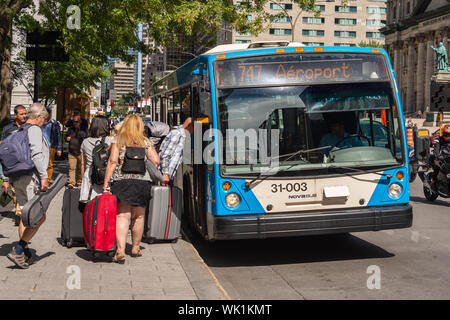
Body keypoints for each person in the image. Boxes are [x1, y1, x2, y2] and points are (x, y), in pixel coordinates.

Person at [103, 115, 160, 263]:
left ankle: (120, 251)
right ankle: (135, 248)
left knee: (123, 216)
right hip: (142, 182)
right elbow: (156, 161)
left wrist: (106, 182)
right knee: (139, 216)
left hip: (122, 182)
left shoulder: (119, 140)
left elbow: (113, 161)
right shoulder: (145, 141)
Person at [6, 103, 49, 269]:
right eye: (43, 119)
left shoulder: (20, 129)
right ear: (37, 117)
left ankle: (25, 253)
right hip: (31, 178)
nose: (44, 122)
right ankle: (18, 250)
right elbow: (37, 154)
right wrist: (44, 177)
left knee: (26, 214)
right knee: (39, 216)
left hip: (18, 177)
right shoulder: (34, 130)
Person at [1, 105, 28, 226]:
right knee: (14, 189)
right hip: (12, 163)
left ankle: (19, 213)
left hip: (24, 162)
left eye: (25, 114)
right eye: (21, 114)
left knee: (21, 188)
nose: (24, 116)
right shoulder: (8, 129)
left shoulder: (27, 127)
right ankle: (18, 211)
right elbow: (2, 146)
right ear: (15, 115)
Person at [80, 116, 112, 202]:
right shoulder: (109, 141)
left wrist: (83, 178)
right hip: (105, 174)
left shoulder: (85, 142)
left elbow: (83, 163)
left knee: (90, 206)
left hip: (90, 174)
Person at [159, 118, 194, 185]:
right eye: (195, 128)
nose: (194, 131)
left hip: (168, 175)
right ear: (189, 126)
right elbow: (165, 154)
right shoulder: (177, 134)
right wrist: (165, 173)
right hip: (165, 176)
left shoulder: (180, 134)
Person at [66, 114, 88, 188]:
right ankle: (71, 182)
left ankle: (79, 182)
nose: (75, 123)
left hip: (80, 152)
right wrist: (67, 138)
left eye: (76, 121)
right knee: (72, 168)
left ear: (80, 121)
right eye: (73, 121)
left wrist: (80, 130)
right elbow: (66, 136)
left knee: (80, 167)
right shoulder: (70, 129)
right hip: (71, 151)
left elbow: (86, 137)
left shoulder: (83, 129)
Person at [41, 108, 62, 182]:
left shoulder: (54, 123)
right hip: (40, 146)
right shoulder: (40, 122)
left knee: (49, 164)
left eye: (48, 114)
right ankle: (41, 180)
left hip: (51, 146)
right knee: (40, 164)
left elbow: (58, 135)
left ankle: (47, 180)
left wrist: (59, 148)